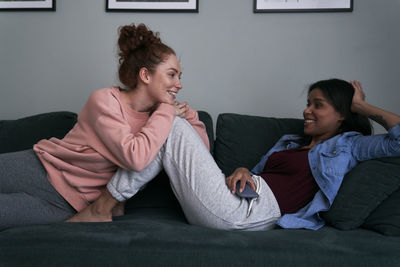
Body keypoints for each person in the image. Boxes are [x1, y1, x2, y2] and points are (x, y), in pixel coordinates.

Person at [67, 78, 400, 230]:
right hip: (236, 200)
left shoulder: (351, 145)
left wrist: (362, 106)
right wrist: (242, 169)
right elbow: (256, 173)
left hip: (249, 216)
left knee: (172, 123)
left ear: (341, 114)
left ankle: (104, 206)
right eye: (308, 102)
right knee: (170, 127)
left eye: (318, 105)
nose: (306, 110)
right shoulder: (288, 141)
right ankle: (109, 206)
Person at [0, 23, 209, 229]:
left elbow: (200, 157)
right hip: (38, 169)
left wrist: (189, 116)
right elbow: (134, 157)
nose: (179, 84)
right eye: (172, 75)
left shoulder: (160, 117)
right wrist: (167, 112)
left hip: (69, 204)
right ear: (145, 75)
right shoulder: (105, 101)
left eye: (180, 77)